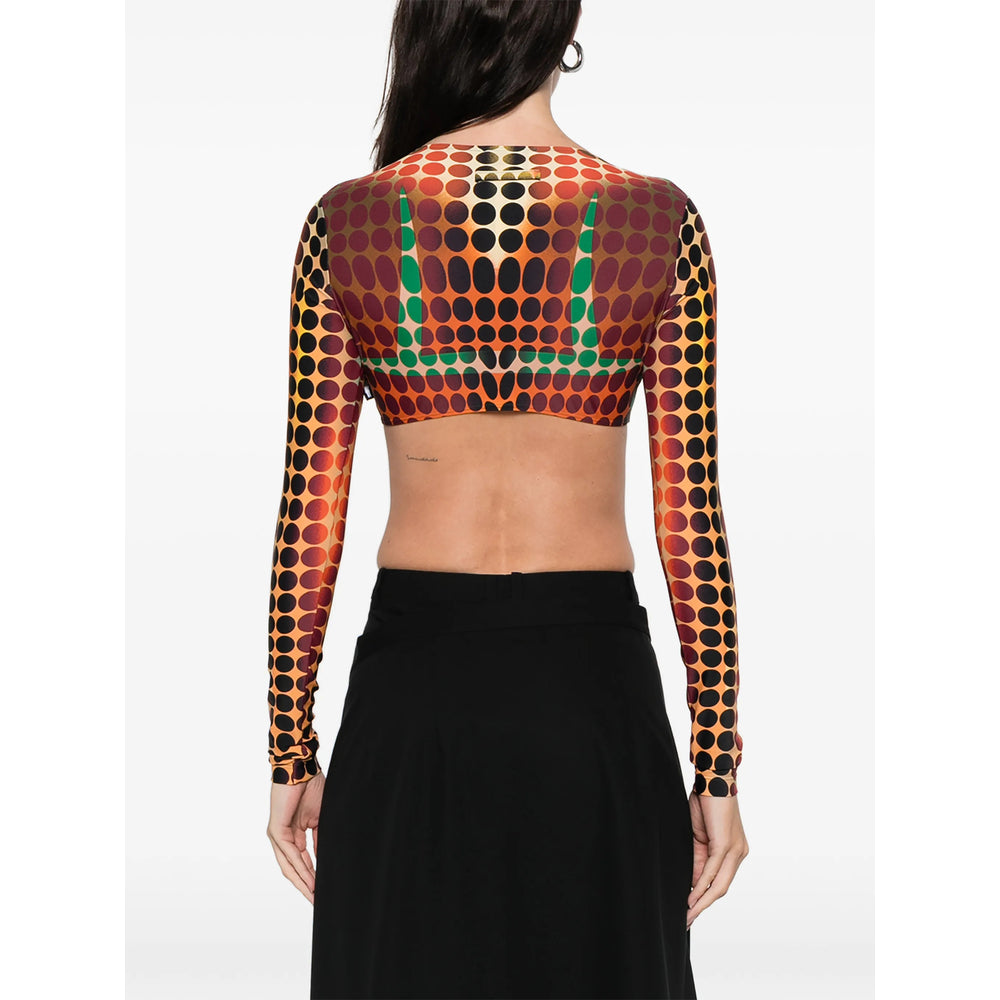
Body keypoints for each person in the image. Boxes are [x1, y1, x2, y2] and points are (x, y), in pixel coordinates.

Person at [265, 1, 750, 997]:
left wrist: (288, 750)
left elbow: (310, 513)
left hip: (413, 697)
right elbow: (691, 517)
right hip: (592, 696)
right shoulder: (657, 221)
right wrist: (715, 766)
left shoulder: (347, 224)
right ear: (561, 31)